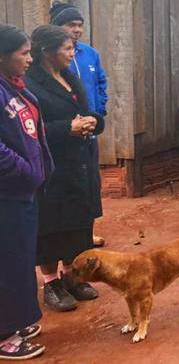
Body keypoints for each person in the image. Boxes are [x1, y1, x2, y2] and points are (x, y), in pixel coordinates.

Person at [24, 25, 103, 313]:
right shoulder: (31, 84)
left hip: (79, 161)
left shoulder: (69, 76)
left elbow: (85, 109)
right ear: (47, 52)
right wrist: (65, 129)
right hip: (52, 166)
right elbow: (29, 128)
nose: (73, 54)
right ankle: (51, 282)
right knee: (51, 225)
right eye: (67, 49)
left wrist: (94, 121)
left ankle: (72, 275)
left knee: (78, 221)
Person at [0, 25, 53, 360]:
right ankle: (4, 335)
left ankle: (15, 320)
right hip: (7, 194)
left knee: (19, 261)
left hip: (23, 193)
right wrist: (26, 171)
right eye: (24, 53)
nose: (30, 60)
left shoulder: (13, 88)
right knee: (7, 264)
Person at [49, 0, 107, 249]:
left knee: (90, 190)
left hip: (89, 134)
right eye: (71, 24)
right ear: (57, 27)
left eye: (80, 25)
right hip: (63, 139)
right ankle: (64, 247)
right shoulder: (48, 61)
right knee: (63, 195)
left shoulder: (89, 53)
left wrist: (98, 112)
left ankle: (85, 235)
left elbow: (101, 84)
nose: (77, 30)